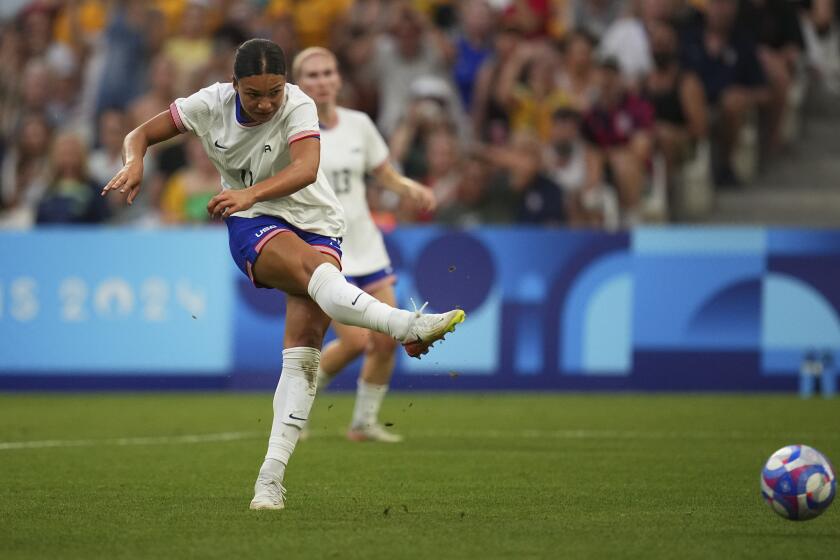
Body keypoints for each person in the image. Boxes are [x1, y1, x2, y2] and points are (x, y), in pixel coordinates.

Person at [102, 39, 465, 510]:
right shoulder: (207, 104)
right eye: (254, 94)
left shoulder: (299, 104)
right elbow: (141, 134)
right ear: (234, 87)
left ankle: (269, 482)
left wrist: (251, 193)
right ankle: (405, 325)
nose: (266, 102)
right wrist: (135, 160)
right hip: (252, 222)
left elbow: (308, 169)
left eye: (274, 90)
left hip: (318, 223)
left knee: (304, 357)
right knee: (315, 275)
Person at [292, 46, 436, 443]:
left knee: (388, 338)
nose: (321, 81)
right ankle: (296, 405)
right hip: (326, 249)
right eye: (312, 75)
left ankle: (363, 424)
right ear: (298, 84)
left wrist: (410, 188)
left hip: (366, 245)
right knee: (356, 340)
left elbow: (383, 173)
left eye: (327, 73)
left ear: (338, 79)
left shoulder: (358, 125)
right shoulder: (291, 129)